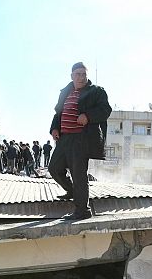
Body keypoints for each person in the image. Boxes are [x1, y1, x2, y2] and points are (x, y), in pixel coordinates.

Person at [47, 62, 111, 220]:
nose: (81, 77)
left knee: (79, 175)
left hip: (81, 138)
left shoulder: (96, 91)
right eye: (78, 74)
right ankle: (71, 191)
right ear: (72, 76)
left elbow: (105, 110)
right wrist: (54, 128)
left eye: (84, 74)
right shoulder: (65, 92)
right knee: (54, 168)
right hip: (64, 138)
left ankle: (83, 210)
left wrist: (88, 116)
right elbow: (58, 113)